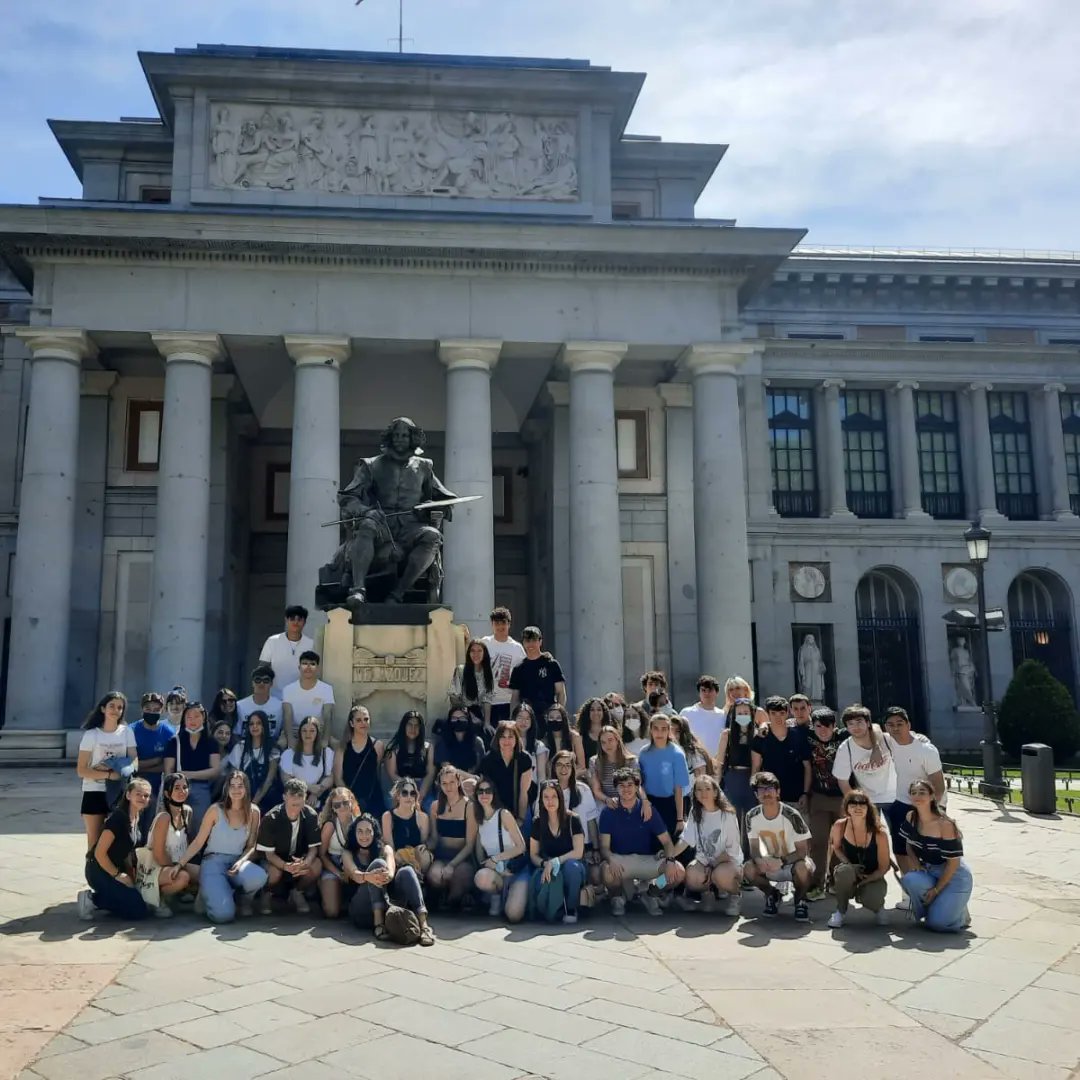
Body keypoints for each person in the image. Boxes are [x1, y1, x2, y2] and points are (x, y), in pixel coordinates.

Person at [179, 772, 266, 922]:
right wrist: (180, 864)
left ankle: (239, 898)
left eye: (240, 786)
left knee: (259, 876)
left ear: (246, 788)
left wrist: (241, 862)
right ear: (227, 788)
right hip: (213, 862)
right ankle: (209, 892)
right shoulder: (215, 810)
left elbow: (251, 846)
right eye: (232, 785)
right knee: (223, 916)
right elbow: (199, 842)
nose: (236, 790)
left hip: (237, 861)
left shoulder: (254, 811)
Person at [598, 767, 682, 916]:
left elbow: (667, 842)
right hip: (621, 860)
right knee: (606, 870)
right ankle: (617, 898)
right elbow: (604, 847)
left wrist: (670, 861)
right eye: (621, 786)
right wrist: (611, 859)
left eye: (630, 785)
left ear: (637, 787)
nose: (626, 789)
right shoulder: (608, 811)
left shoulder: (648, 810)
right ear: (616, 788)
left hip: (646, 860)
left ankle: (651, 893)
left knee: (678, 872)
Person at [344, 812, 435, 945]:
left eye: (368, 831)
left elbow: (391, 867)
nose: (364, 836)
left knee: (407, 871)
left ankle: (424, 925)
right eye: (360, 831)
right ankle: (378, 923)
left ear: (374, 833)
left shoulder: (385, 848)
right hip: (362, 908)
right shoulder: (348, 852)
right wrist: (368, 876)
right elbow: (355, 875)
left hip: (387, 903)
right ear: (355, 833)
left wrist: (388, 875)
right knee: (377, 864)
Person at [899, 779, 973, 932]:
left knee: (938, 925)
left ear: (932, 796)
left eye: (922, 792)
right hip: (929, 869)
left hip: (954, 875)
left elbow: (954, 863)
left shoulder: (944, 824)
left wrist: (937, 890)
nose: (917, 796)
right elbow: (909, 845)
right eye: (914, 793)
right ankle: (937, 909)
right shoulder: (911, 817)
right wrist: (916, 865)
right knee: (910, 879)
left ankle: (959, 913)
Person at [76, 777, 154, 921]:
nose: (143, 798)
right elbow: (99, 853)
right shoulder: (118, 819)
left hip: (117, 867)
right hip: (99, 869)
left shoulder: (137, 818)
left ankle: (114, 899)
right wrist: (118, 875)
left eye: (146, 795)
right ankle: (92, 899)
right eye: (138, 794)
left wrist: (132, 877)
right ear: (128, 795)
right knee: (137, 909)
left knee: (140, 906)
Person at [744, 770, 814, 922]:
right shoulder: (751, 816)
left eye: (769, 789)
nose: (766, 793)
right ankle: (772, 895)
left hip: (793, 863)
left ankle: (800, 900)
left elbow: (803, 852)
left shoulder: (792, 814)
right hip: (770, 862)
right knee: (748, 868)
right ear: (756, 795)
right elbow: (754, 849)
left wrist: (782, 861)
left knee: (804, 868)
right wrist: (759, 860)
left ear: (778, 792)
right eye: (761, 789)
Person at [883, 706, 946, 870]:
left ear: (908, 725)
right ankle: (909, 886)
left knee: (927, 849)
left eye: (900, 723)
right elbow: (872, 730)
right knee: (900, 848)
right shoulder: (887, 743)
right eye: (891, 724)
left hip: (927, 804)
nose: (895, 728)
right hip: (900, 802)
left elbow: (938, 785)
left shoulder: (926, 749)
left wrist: (931, 811)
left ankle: (930, 884)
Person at [673, 776, 743, 916]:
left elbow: (732, 849)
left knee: (721, 875)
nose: (703, 793)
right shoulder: (695, 812)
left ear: (716, 792)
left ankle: (735, 896)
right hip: (705, 862)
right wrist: (670, 855)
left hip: (727, 862)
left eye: (707, 789)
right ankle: (708, 893)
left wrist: (712, 866)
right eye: (698, 789)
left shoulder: (728, 814)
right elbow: (686, 840)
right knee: (692, 875)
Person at [77, 691, 138, 851]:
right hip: (94, 790)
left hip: (119, 791)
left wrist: (115, 764)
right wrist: (109, 774)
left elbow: (134, 761)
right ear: (103, 708)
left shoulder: (127, 732)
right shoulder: (91, 735)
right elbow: (82, 770)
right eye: (112, 706)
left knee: (120, 839)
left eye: (120, 707)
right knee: (94, 841)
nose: (115, 710)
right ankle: (93, 874)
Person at [256, 777, 322, 914]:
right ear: (284, 797)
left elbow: (313, 848)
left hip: (298, 860)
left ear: (305, 798)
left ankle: (297, 892)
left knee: (316, 865)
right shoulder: (271, 818)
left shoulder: (311, 815)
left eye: (300, 796)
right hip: (274, 861)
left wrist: (305, 863)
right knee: (274, 872)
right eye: (292, 795)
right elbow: (269, 855)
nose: (296, 799)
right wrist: (286, 866)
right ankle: (267, 893)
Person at [827, 791, 890, 928]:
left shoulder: (880, 833)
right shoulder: (839, 825)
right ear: (846, 808)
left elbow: (884, 867)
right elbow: (836, 847)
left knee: (873, 897)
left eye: (862, 804)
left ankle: (878, 908)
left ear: (869, 808)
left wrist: (866, 880)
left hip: (872, 875)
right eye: (853, 803)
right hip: (849, 871)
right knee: (844, 872)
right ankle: (840, 911)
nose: (858, 807)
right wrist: (849, 865)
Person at [528, 781, 586, 923]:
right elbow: (533, 854)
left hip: (569, 863)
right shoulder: (538, 822)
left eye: (554, 796)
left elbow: (578, 852)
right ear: (541, 800)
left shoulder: (573, 819)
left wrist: (557, 861)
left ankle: (571, 908)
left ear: (560, 798)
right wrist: (545, 863)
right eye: (546, 797)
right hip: (547, 864)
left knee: (573, 868)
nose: (550, 801)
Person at [806, 706, 847, 900]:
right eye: (819, 726)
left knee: (839, 842)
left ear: (834, 726)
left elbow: (872, 727)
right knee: (818, 842)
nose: (823, 730)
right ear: (813, 726)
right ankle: (816, 884)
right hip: (819, 797)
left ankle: (835, 881)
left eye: (828, 726)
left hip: (842, 797)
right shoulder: (806, 738)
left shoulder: (844, 737)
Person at [472, 781, 529, 921]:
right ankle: (496, 895)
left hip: (516, 867)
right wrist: (489, 864)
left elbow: (521, 847)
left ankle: (512, 897)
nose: (484, 794)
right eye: (480, 791)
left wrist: (496, 859)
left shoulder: (504, 814)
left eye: (488, 791)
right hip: (496, 870)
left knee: (514, 915)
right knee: (481, 877)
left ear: (494, 794)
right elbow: (480, 857)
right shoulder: (478, 819)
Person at [546, 750, 602, 890]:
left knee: (596, 876)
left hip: (581, 849)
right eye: (559, 765)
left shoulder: (583, 790)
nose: (563, 769)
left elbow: (591, 822)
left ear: (573, 768)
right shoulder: (545, 790)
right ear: (553, 768)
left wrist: (595, 849)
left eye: (567, 765)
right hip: (554, 849)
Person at [163, 702, 221, 832]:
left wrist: (189, 774)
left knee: (199, 826)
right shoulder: (174, 741)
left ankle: (196, 852)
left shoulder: (211, 742)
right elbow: (168, 770)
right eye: (189, 717)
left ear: (204, 718)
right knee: (176, 827)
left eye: (197, 716)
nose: (193, 720)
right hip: (177, 788)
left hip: (201, 788)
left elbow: (215, 770)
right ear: (184, 719)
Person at [426, 765, 478, 906]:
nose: (448, 787)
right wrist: (423, 850)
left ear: (458, 782)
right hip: (442, 855)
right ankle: (443, 896)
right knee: (435, 876)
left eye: (452, 782)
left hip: (462, 857)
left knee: (460, 876)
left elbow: (469, 845)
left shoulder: (469, 807)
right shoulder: (435, 806)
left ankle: (455, 899)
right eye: (444, 783)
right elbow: (435, 838)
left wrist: (451, 865)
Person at [751, 696, 812, 816]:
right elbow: (756, 768)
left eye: (782, 713)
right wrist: (757, 793)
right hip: (770, 797)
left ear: (788, 713)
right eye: (773, 713)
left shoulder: (799, 735)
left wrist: (805, 793)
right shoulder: (760, 739)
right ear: (768, 714)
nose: (778, 717)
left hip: (797, 798)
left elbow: (807, 767)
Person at [147, 773, 199, 910]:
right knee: (183, 877)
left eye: (185, 787)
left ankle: (179, 892)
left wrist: (181, 864)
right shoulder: (164, 817)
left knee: (203, 874)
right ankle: (156, 898)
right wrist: (176, 867)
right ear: (167, 793)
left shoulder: (187, 811)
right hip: (157, 866)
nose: (182, 791)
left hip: (178, 863)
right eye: (176, 788)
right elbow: (158, 855)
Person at [832, 704, 897, 813]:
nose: (855, 727)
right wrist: (854, 803)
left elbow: (908, 742)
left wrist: (921, 739)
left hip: (896, 798)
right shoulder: (845, 748)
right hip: (869, 802)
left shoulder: (886, 739)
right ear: (846, 727)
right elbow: (843, 781)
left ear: (867, 723)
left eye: (859, 722)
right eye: (850, 724)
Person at [637, 713, 691, 836]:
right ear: (650, 730)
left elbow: (678, 789)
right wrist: (645, 802)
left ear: (668, 731)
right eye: (656, 728)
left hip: (670, 804)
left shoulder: (677, 754)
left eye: (664, 729)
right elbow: (640, 782)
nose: (659, 733)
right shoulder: (644, 753)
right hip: (649, 803)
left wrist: (680, 819)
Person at [130, 691, 175, 836]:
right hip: (134, 782)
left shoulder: (168, 732)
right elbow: (132, 764)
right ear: (142, 709)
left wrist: (145, 764)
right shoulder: (132, 730)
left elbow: (168, 765)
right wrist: (156, 761)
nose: (152, 712)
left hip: (157, 786)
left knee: (150, 824)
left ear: (162, 711)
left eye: (156, 710)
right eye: (148, 709)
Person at [332, 705, 386, 816]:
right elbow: (337, 777)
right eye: (359, 720)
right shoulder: (342, 747)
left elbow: (376, 774)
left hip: (372, 800)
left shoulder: (378, 746)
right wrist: (349, 799)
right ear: (351, 723)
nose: (363, 723)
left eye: (366, 719)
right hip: (348, 800)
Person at [479, 721, 533, 826]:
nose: (506, 741)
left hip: (518, 809)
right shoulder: (488, 759)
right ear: (497, 739)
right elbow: (485, 790)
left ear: (516, 739)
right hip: (494, 811)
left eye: (510, 737)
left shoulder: (524, 759)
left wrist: (521, 819)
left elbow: (523, 792)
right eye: (503, 737)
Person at [226, 709, 281, 812]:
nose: (254, 726)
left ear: (264, 726)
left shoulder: (273, 749)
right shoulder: (240, 747)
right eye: (251, 724)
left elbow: (269, 780)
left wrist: (254, 803)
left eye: (258, 723)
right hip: (241, 797)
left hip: (266, 799)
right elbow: (232, 777)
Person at [480, 606, 526, 727]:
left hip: (509, 701)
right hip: (487, 702)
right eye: (497, 623)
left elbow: (524, 673)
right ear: (492, 624)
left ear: (509, 624)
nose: (500, 627)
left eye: (503, 623)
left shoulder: (516, 648)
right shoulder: (484, 643)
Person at [318, 787, 360, 918]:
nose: (342, 807)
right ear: (333, 808)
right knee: (332, 912)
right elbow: (322, 854)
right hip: (332, 865)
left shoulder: (359, 821)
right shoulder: (330, 825)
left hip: (354, 864)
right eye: (337, 805)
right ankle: (321, 886)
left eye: (345, 802)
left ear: (351, 802)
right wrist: (338, 873)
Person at [281, 651, 336, 748]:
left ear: (318, 668)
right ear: (299, 667)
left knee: (337, 745)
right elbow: (287, 716)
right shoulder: (288, 689)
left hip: (318, 731)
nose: (308, 667)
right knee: (281, 744)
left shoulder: (327, 689)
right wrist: (290, 740)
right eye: (305, 664)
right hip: (295, 731)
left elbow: (328, 716)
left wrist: (325, 740)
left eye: (312, 664)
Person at [508, 626, 566, 717]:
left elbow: (561, 693)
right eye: (527, 641)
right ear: (523, 643)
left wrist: (558, 715)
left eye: (534, 640)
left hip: (548, 715)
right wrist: (513, 720)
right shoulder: (518, 669)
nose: (531, 644)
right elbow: (515, 698)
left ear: (540, 642)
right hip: (527, 718)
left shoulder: (551, 664)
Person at [716, 697, 757, 824]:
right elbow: (719, 762)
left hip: (751, 778)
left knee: (752, 819)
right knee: (733, 819)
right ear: (734, 715)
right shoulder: (726, 735)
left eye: (746, 713)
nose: (743, 716)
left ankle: (750, 845)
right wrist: (716, 784)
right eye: (739, 713)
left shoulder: (757, 734)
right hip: (732, 778)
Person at [382, 777, 433, 879]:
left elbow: (423, 843)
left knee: (423, 853)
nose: (409, 797)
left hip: (417, 860)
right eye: (405, 793)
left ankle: (421, 881)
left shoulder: (423, 817)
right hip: (397, 859)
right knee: (392, 853)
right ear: (397, 796)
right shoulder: (388, 816)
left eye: (412, 793)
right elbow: (390, 847)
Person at [280, 715, 335, 807]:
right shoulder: (289, 754)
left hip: (319, 801)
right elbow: (286, 780)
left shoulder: (326, 753)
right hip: (295, 800)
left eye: (312, 731)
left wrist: (316, 793)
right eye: (304, 730)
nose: (308, 734)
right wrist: (308, 787)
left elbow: (330, 777)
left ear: (317, 733)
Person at [259, 604, 314, 696]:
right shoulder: (272, 641)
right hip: (275, 696)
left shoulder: (311, 644)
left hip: (301, 696)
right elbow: (262, 669)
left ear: (304, 622)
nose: (296, 622)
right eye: (292, 618)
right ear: (286, 620)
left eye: (299, 619)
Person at [432, 707, 486, 798]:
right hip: (448, 782)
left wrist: (474, 779)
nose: (458, 721)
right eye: (454, 718)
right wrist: (472, 777)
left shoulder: (477, 742)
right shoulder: (443, 741)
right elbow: (447, 768)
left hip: (472, 784)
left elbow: (482, 767)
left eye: (462, 718)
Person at [385, 711, 435, 806]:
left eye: (416, 726)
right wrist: (409, 791)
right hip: (401, 787)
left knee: (431, 807)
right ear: (404, 726)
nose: (413, 728)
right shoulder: (393, 749)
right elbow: (392, 775)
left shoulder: (428, 748)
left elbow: (430, 773)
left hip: (423, 787)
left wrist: (421, 794)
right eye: (410, 725)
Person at [449, 639, 496, 731]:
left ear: (484, 653)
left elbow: (487, 699)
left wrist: (487, 723)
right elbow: (454, 697)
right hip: (461, 713)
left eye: (479, 651)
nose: (476, 654)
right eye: (472, 651)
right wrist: (468, 715)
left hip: (479, 713)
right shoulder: (461, 670)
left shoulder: (488, 673)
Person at [235, 663, 285, 746]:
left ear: (271, 684)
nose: (261, 683)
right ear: (252, 683)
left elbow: (284, 732)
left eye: (266, 680)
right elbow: (235, 734)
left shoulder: (280, 706)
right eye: (258, 680)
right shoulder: (240, 706)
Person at [589, 725, 638, 809]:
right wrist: (607, 799)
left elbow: (637, 785)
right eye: (603, 742)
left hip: (629, 799)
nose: (607, 745)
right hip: (606, 801)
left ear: (617, 740)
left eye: (610, 740)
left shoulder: (631, 760)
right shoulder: (594, 762)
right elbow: (596, 790)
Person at [678, 675, 726, 759]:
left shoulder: (723, 715)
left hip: (717, 764)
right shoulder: (686, 713)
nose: (706, 693)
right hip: (694, 763)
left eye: (710, 690)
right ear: (699, 693)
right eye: (703, 690)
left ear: (717, 692)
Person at [668, 713, 714, 789]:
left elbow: (701, 779)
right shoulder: (665, 750)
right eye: (670, 730)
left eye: (677, 731)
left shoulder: (694, 752)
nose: (672, 734)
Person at [512, 702, 547, 799]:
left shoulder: (538, 746)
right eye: (520, 718)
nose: (524, 722)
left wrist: (539, 801)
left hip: (532, 793)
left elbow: (541, 777)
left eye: (527, 718)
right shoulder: (506, 743)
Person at [543, 704, 586, 773]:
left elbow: (581, 766)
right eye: (551, 717)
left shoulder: (574, 737)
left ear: (564, 719)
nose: (555, 720)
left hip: (573, 777)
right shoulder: (544, 741)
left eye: (558, 718)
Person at [576, 697, 612, 766]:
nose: (596, 712)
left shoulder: (611, 734)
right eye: (592, 710)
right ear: (587, 713)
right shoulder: (580, 736)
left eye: (599, 709)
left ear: (604, 712)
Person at [209, 717, 236, 802]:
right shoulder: (204, 751)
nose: (224, 736)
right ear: (213, 733)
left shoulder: (231, 755)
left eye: (227, 733)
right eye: (220, 732)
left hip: (220, 794)